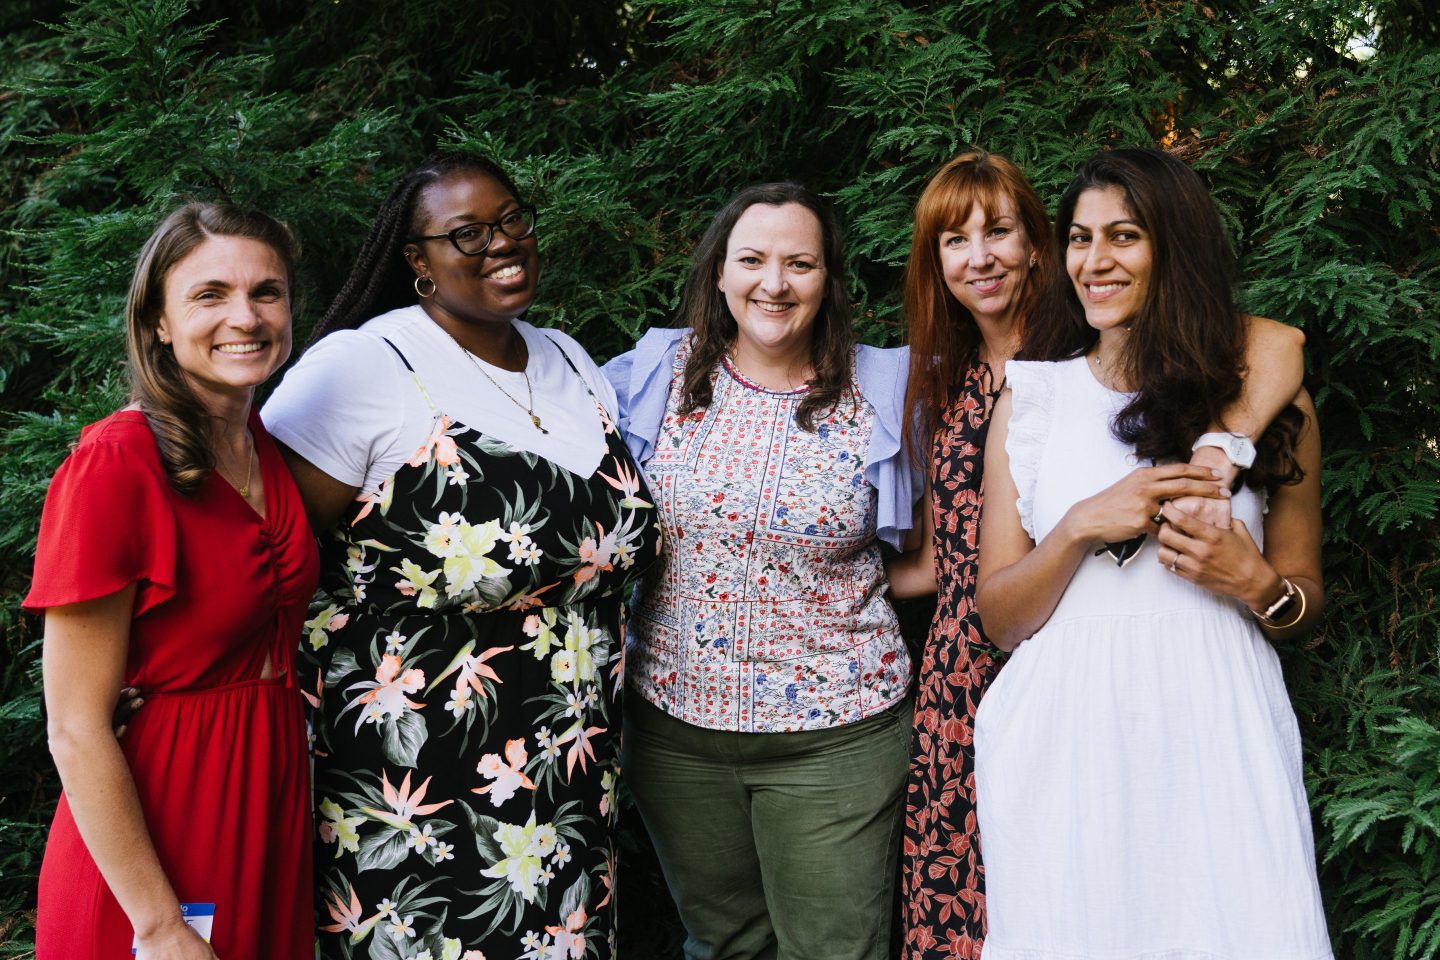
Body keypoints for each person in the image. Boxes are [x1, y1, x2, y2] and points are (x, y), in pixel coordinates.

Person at [886, 151, 1309, 959]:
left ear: (1173, 247)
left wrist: (1256, 581)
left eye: (1124, 236)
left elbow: (1302, 596)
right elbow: (990, 607)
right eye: (1083, 237)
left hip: (1220, 717)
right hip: (1062, 729)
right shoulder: (1027, 393)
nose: (1095, 258)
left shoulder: (1263, 392)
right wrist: (1083, 522)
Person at [261, 151, 660, 959]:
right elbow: (262, 558)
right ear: (417, 260)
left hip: (571, 786)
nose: (501, 243)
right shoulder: (363, 367)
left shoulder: (571, 360)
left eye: (512, 220)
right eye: (467, 233)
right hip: (416, 796)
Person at [604, 182, 921, 960]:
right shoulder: (653, 376)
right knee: (723, 945)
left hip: (834, 737)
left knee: (833, 949)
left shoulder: (885, 390)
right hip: (676, 734)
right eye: (751, 259)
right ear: (719, 272)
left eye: (799, 264)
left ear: (829, 281)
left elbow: (960, 523)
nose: (773, 284)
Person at [25, 204, 318, 959]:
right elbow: (74, 725)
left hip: (268, 803)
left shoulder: (262, 442)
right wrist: (159, 926)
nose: (245, 317)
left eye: (267, 292)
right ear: (157, 322)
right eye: (210, 295)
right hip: (157, 830)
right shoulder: (114, 466)